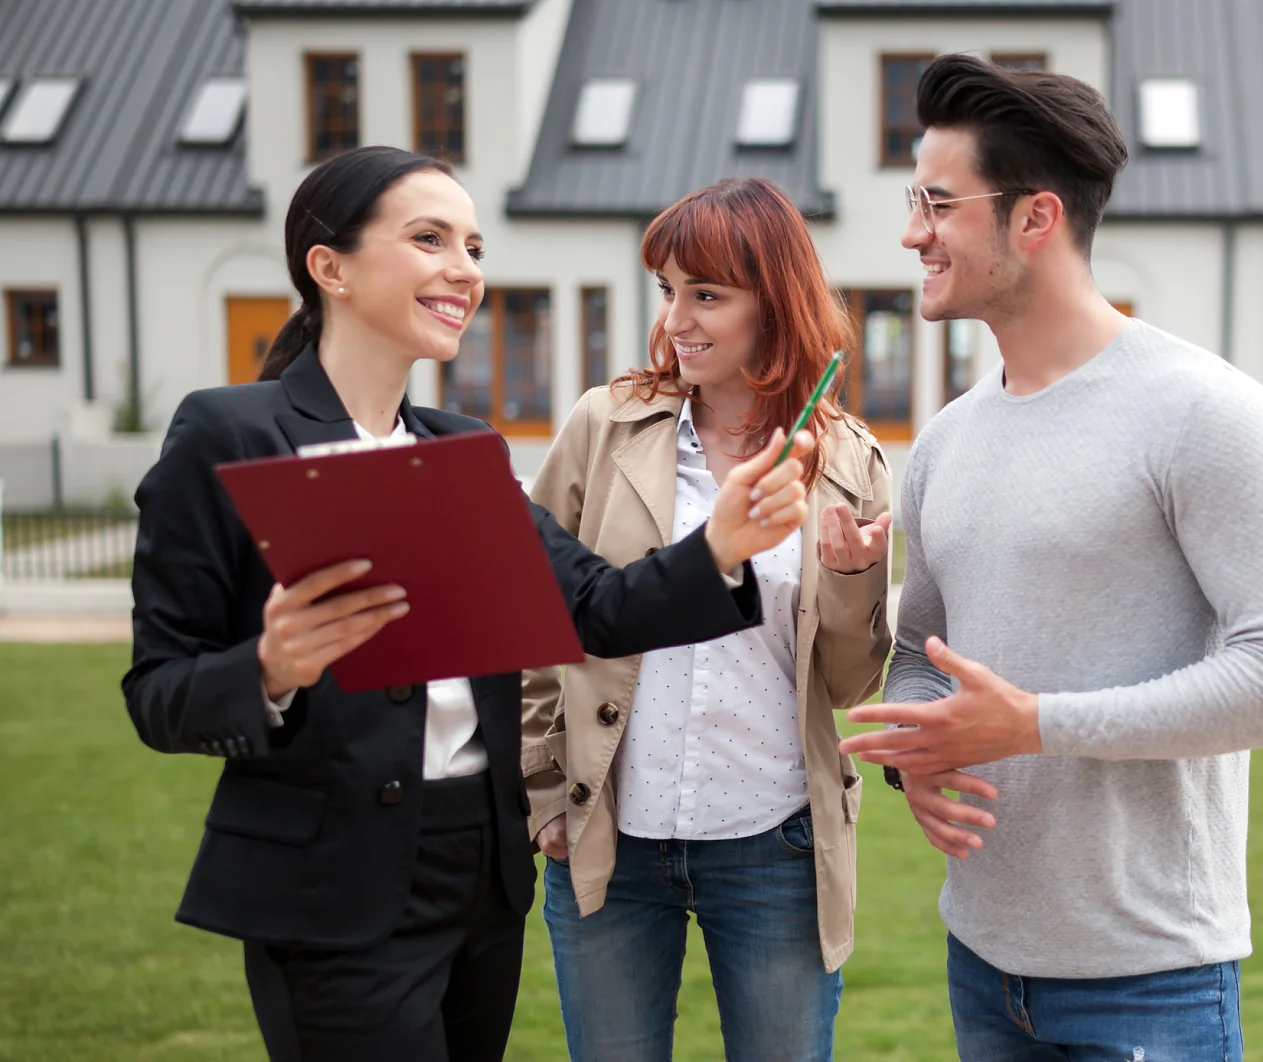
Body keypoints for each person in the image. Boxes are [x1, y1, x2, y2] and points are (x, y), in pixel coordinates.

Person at [121, 146, 815, 1062]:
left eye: (475, 246)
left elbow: (593, 610)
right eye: (429, 238)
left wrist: (719, 548)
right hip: (334, 881)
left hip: (478, 878)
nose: (466, 269)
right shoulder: (229, 433)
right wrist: (267, 670)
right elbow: (158, 692)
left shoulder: (466, 450)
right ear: (329, 268)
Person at [836, 54, 1263, 1060]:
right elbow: (921, 648)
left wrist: (1032, 726)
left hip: (1149, 976)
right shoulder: (943, 440)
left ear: (1035, 218)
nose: (910, 233)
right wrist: (919, 762)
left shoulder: (1203, 412)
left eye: (937, 203)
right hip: (982, 958)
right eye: (911, 201)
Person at [521, 177, 894, 1062]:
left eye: (708, 295)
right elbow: (534, 612)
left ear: (778, 302)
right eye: (668, 291)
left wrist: (851, 577)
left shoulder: (845, 459)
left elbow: (848, 683)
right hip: (610, 834)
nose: (678, 319)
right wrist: (541, 789)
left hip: (774, 845)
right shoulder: (603, 427)